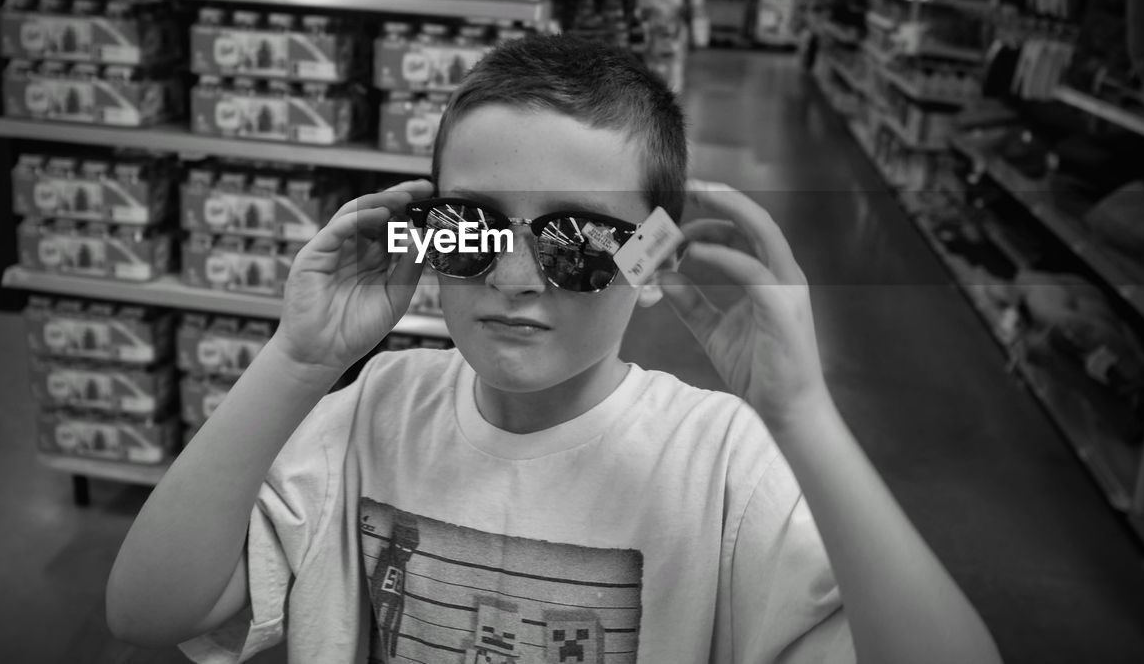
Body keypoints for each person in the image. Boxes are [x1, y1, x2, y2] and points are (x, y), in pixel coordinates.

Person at [107, 35, 1002, 664]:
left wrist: (805, 419)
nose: (514, 274)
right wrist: (298, 363)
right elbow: (148, 607)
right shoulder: (374, 411)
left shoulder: (723, 465)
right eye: (470, 227)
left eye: (577, 241)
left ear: (653, 258)